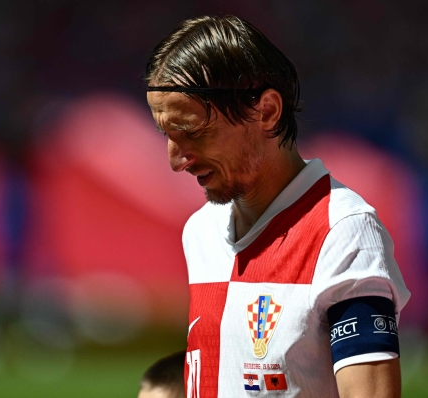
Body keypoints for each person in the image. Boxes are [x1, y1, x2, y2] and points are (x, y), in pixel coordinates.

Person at [145, 15, 410, 398]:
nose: (175, 159)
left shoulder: (343, 230)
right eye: (166, 134)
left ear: (266, 111)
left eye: (191, 132)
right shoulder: (200, 231)